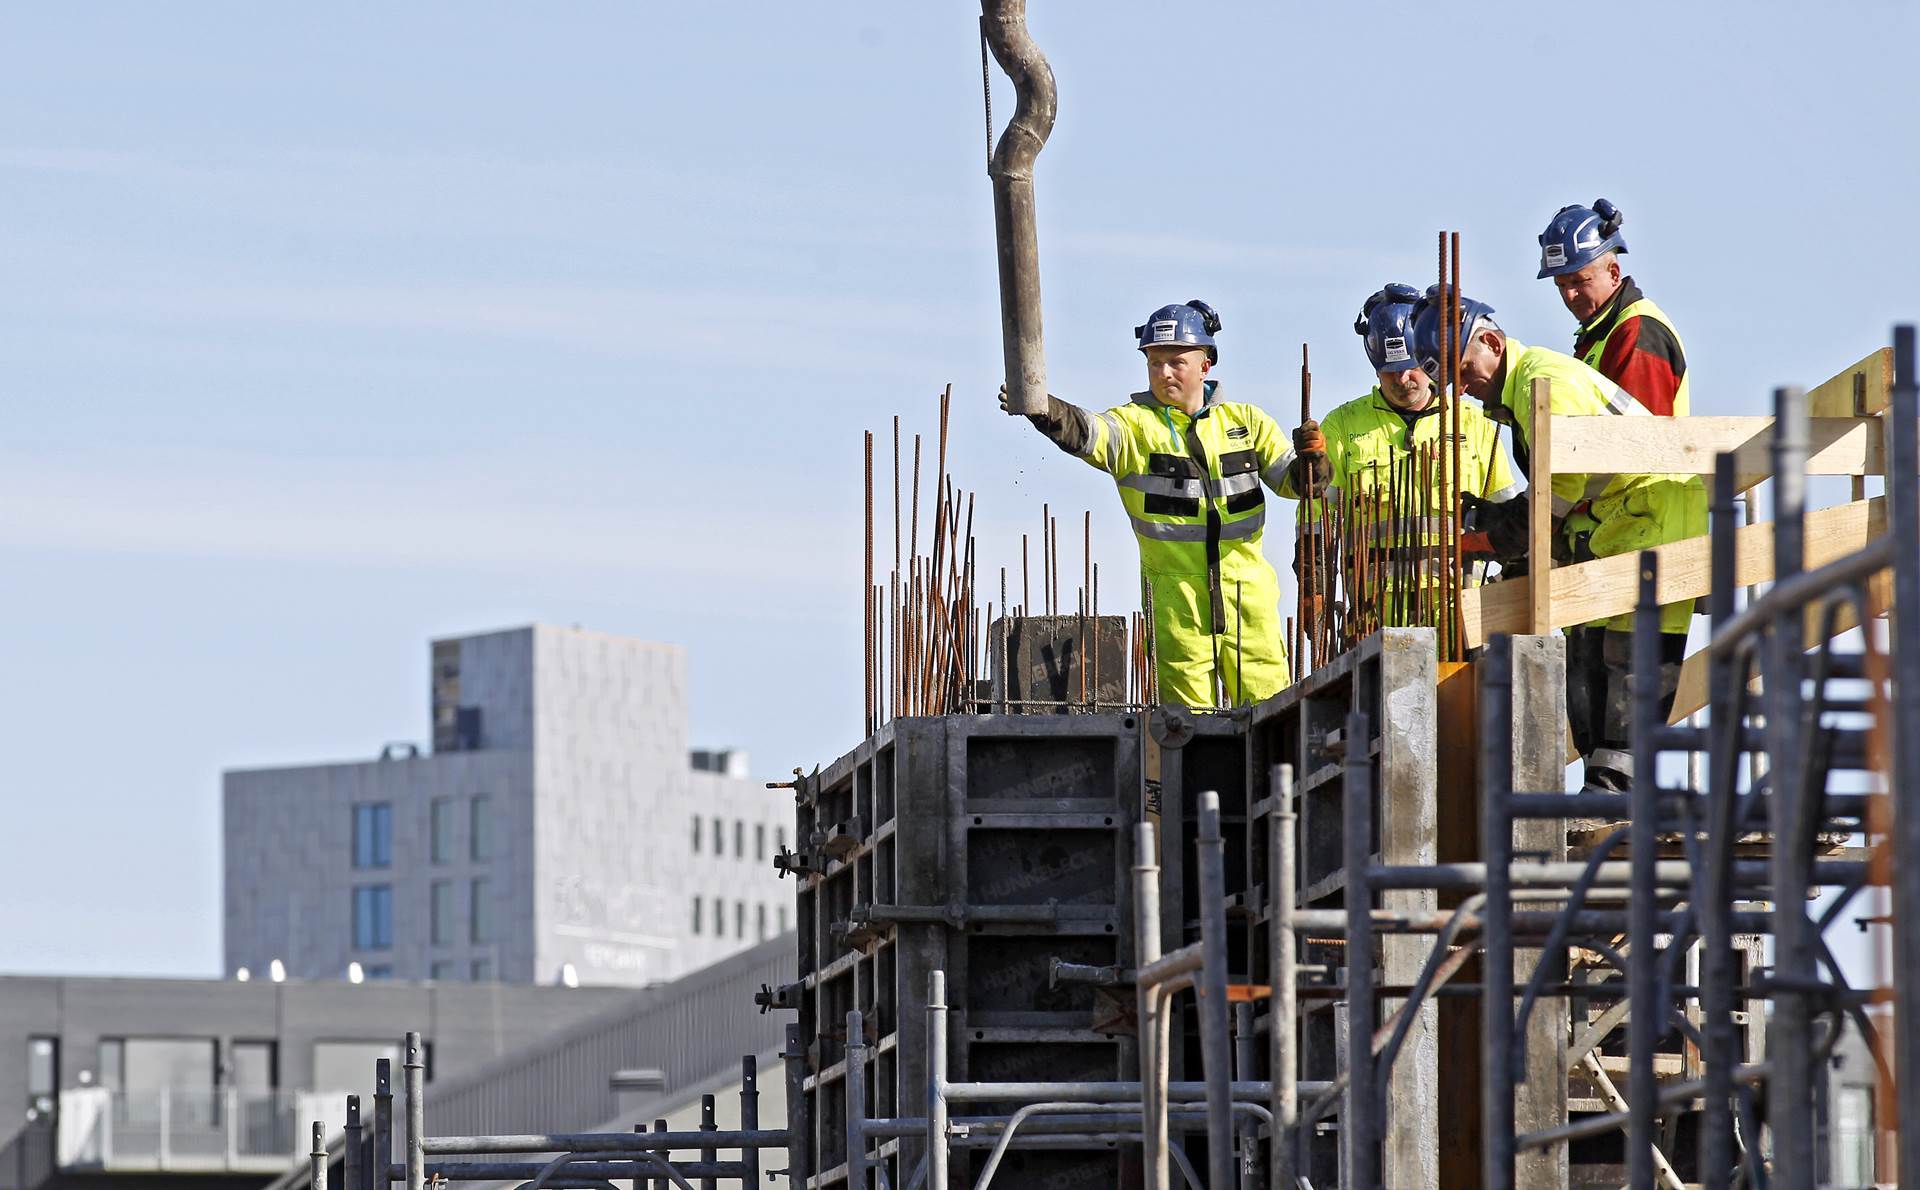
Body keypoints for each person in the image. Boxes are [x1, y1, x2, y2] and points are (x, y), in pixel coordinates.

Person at [1409, 289, 1706, 791]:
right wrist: (1495, 519)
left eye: (1463, 370)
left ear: (1491, 342)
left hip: (1656, 515)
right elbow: (1555, 495)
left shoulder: (1543, 383)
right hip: (1617, 522)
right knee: (1587, 660)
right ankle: (1603, 788)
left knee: (1629, 659)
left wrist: (1495, 539)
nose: (1461, 388)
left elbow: (1556, 494)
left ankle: (1618, 790)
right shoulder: (1521, 392)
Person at [1002, 299, 1291, 708]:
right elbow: (1090, 433)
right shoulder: (1135, 427)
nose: (1164, 372)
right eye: (1154, 363)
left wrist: (1314, 465)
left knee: (1274, 717)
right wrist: (1045, 410)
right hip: (1176, 607)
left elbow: (1295, 481)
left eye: (1176, 362)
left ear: (1205, 365)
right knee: (1189, 730)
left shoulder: (1248, 423)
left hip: (1250, 603)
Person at [1537, 201, 1705, 783]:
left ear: (1613, 268)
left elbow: (1634, 443)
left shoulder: (1639, 332)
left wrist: (1559, 507)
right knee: (1589, 675)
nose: (1571, 295)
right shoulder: (1599, 336)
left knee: (1630, 679)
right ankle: (1604, 797)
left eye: (1580, 280)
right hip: (1615, 530)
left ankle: (1617, 800)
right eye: (1562, 285)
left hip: (1652, 526)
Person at [1282, 284, 1519, 630]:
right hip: (1375, 616)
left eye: (1412, 367)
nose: (1402, 379)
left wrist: (1514, 577)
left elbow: (1509, 512)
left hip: (1460, 613)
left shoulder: (1475, 423)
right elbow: (1315, 518)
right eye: (1389, 370)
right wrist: (1313, 590)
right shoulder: (1344, 425)